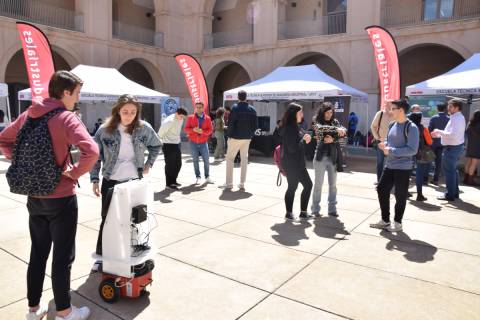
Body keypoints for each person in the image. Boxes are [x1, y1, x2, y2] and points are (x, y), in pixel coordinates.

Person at [0, 71, 99, 320]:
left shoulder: (28, 114)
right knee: (63, 256)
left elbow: (3, 140)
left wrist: (23, 163)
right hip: (61, 197)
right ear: (65, 92)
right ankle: (65, 312)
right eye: (76, 94)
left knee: (38, 252)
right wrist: (73, 173)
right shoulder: (66, 118)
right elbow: (92, 151)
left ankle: (34, 310)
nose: (77, 99)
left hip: (34, 195)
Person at [90, 94, 161, 258]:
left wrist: (149, 164)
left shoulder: (144, 128)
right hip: (111, 181)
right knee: (107, 219)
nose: (129, 115)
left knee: (135, 218)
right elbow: (95, 156)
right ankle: (102, 255)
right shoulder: (104, 130)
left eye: (133, 112)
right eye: (125, 111)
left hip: (134, 181)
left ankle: (132, 250)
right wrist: (94, 179)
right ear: (118, 111)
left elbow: (156, 145)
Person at [370, 99, 419, 232]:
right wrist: (384, 144)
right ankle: (385, 220)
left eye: (393, 109)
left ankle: (397, 223)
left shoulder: (412, 127)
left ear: (401, 110)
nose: (390, 111)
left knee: (400, 195)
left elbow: (412, 150)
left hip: (403, 167)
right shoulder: (392, 125)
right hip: (390, 164)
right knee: (381, 189)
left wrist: (390, 150)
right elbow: (389, 140)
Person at [311, 102, 346, 217]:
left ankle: (332, 209)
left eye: (331, 112)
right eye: (327, 112)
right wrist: (337, 130)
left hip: (332, 156)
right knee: (318, 185)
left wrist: (334, 138)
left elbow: (343, 134)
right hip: (320, 157)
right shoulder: (317, 121)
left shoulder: (335, 121)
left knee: (333, 185)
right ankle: (315, 210)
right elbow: (321, 132)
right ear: (323, 112)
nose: (329, 115)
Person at [280, 103, 313, 220]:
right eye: (300, 113)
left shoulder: (295, 126)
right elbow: (292, 148)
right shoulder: (290, 127)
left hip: (298, 162)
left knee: (308, 185)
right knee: (292, 187)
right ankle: (289, 213)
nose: (302, 115)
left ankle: (303, 212)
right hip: (291, 163)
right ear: (294, 114)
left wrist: (305, 139)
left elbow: (297, 144)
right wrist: (303, 139)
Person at [431, 99, 466, 201]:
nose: (448, 108)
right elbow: (451, 134)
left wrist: (438, 131)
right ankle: (453, 193)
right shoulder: (457, 117)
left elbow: (452, 134)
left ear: (457, 108)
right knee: (452, 171)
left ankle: (449, 194)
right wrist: (439, 133)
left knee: (449, 172)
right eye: (448, 106)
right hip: (454, 147)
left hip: (452, 148)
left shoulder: (456, 118)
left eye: (450, 106)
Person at [223, 90, 257, 190]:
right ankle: (242, 183)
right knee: (244, 160)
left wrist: (229, 135)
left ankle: (229, 183)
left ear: (238, 97)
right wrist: (250, 135)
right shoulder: (252, 109)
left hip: (235, 137)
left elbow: (231, 123)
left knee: (230, 159)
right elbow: (255, 126)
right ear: (246, 97)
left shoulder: (235, 108)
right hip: (247, 138)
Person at [158, 107, 188, 190]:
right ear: (177, 113)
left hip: (177, 144)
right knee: (170, 165)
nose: (182, 119)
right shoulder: (169, 121)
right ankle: (168, 184)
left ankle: (173, 181)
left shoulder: (181, 119)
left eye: (183, 117)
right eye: (181, 116)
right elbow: (160, 134)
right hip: (168, 145)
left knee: (178, 164)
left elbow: (177, 131)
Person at [184, 102, 214, 184]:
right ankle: (198, 176)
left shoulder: (207, 118)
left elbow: (210, 130)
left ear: (203, 108)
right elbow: (186, 129)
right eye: (197, 107)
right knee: (195, 160)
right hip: (193, 142)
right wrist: (193, 130)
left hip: (203, 142)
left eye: (200, 107)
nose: (198, 109)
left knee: (206, 160)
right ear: (195, 108)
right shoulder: (190, 118)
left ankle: (207, 176)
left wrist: (202, 131)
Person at [409, 112, 433, 201]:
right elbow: (430, 142)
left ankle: (405, 192)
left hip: (409, 152)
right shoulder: (423, 129)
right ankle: (419, 194)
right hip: (421, 153)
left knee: (407, 172)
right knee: (419, 173)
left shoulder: (408, 127)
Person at [370, 101, 392, 183]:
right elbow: (373, 126)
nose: (389, 106)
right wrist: (377, 137)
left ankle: (388, 181)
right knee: (380, 162)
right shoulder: (380, 113)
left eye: (391, 104)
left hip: (392, 143)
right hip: (381, 142)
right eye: (387, 104)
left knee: (390, 163)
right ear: (385, 105)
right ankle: (379, 180)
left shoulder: (395, 115)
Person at [428, 103, 450, 185]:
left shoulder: (434, 118)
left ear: (437, 109)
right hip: (442, 142)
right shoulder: (448, 118)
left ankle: (425, 178)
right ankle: (436, 179)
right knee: (438, 162)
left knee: (429, 160)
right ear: (445, 109)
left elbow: (430, 130)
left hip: (433, 142)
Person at [464, 110, 480, 186]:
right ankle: (470, 180)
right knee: (474, 163)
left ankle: (465, 178)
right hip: (477, 145)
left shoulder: (470, 123)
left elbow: (466, 133)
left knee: (468, 162)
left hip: (470, 144)